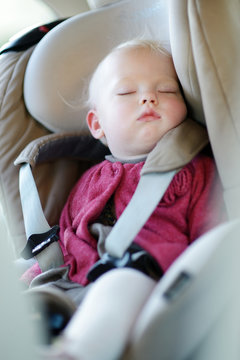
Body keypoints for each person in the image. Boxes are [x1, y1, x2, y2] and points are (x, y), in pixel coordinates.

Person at [28, 39, 225, 360]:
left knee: (118, 286)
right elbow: (65, 240)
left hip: (143, 278)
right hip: (71, 284)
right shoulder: (88, 180)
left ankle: (76, 354)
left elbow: (211, 238)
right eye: (125, 93)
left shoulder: (194, 171)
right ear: (97, 124)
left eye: (167, 90)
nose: (149, 97)